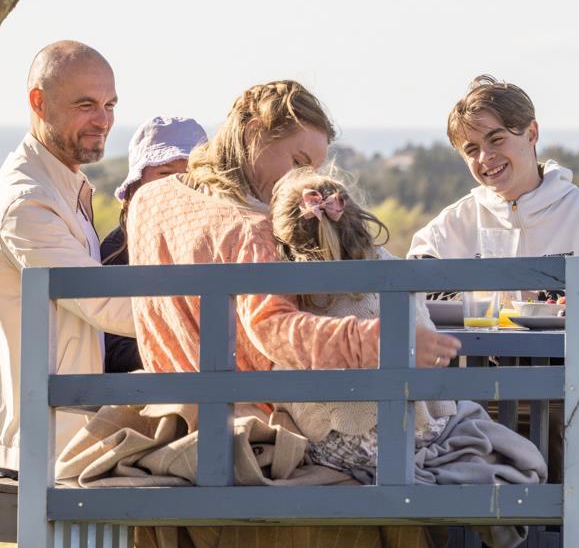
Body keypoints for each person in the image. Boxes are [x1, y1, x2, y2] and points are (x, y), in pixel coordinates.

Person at [127, 80, 461, 376]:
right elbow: (273, 329)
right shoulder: (251, 228)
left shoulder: (149, 199)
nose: (303, 180)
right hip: (241, 408)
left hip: (167, 397)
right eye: (299, 162)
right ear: (253, 132)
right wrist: (383, 341)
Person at [0, 40, 136, 474]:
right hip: (42, 446)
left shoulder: (58, 186)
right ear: (39, 103)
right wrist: (214, 314)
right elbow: (106, 304)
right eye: (85, 105)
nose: (103, 120)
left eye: (110, 105)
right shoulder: (27, 202)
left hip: (68, 434)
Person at [409, 74, 579, 323]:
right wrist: (491, 298)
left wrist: (537, 299)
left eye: (497, 140)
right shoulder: (449, 226)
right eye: (472, 149)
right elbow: (411, 298)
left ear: (531, 133)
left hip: (568, 352)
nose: (485, 157)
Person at [267, 167, 456, 475]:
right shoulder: (392, 265)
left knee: (286, 363)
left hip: (349, 447)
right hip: (424, 430)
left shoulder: (294, 286)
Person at [99, 116, 207, 374]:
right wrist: (181, 353)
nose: (178, 184)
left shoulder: (216, 240)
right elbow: (111, 346)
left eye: (190, 174)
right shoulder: (118, 249)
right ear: (137, 184)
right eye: (164, 174)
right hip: (150, 384)